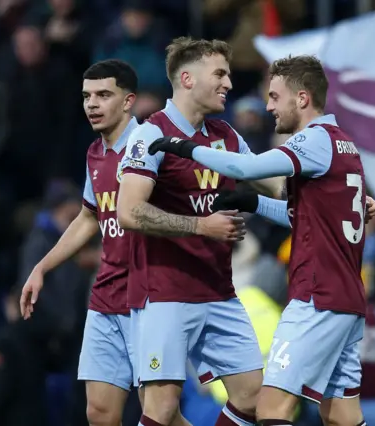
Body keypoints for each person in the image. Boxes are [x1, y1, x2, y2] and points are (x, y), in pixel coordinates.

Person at [147, 54, 375, 426]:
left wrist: (184, 147)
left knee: (272, 409)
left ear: (302, 98)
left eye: (274, 96)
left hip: (317, 298)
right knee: (341, 415)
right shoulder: (343, 145)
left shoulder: (315, 140)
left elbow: (244, 167)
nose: (269, 106)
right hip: (347, 300)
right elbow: (302, 218)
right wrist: (251, 201)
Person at [18, 60, 191, 426]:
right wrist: (42, 267)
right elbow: (88, 217)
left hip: (150, 295)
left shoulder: (153, 146)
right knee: (98, 413)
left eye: (103, 95)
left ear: (128, 101)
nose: (92, 104)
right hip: (107, 293)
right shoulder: (95, 153)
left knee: (161, 416)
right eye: (86, 96)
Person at [116, 37, 265, 426]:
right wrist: (202, 225)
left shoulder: (227, 136)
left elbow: (276, 182)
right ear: (186, 78)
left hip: (218, 289)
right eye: (219, 73)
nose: (229, 83)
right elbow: (129, 211)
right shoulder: (150, 135)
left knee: (253, 398)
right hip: (165, 291)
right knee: (162, 411)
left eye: (229, 75)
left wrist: (334, 198)